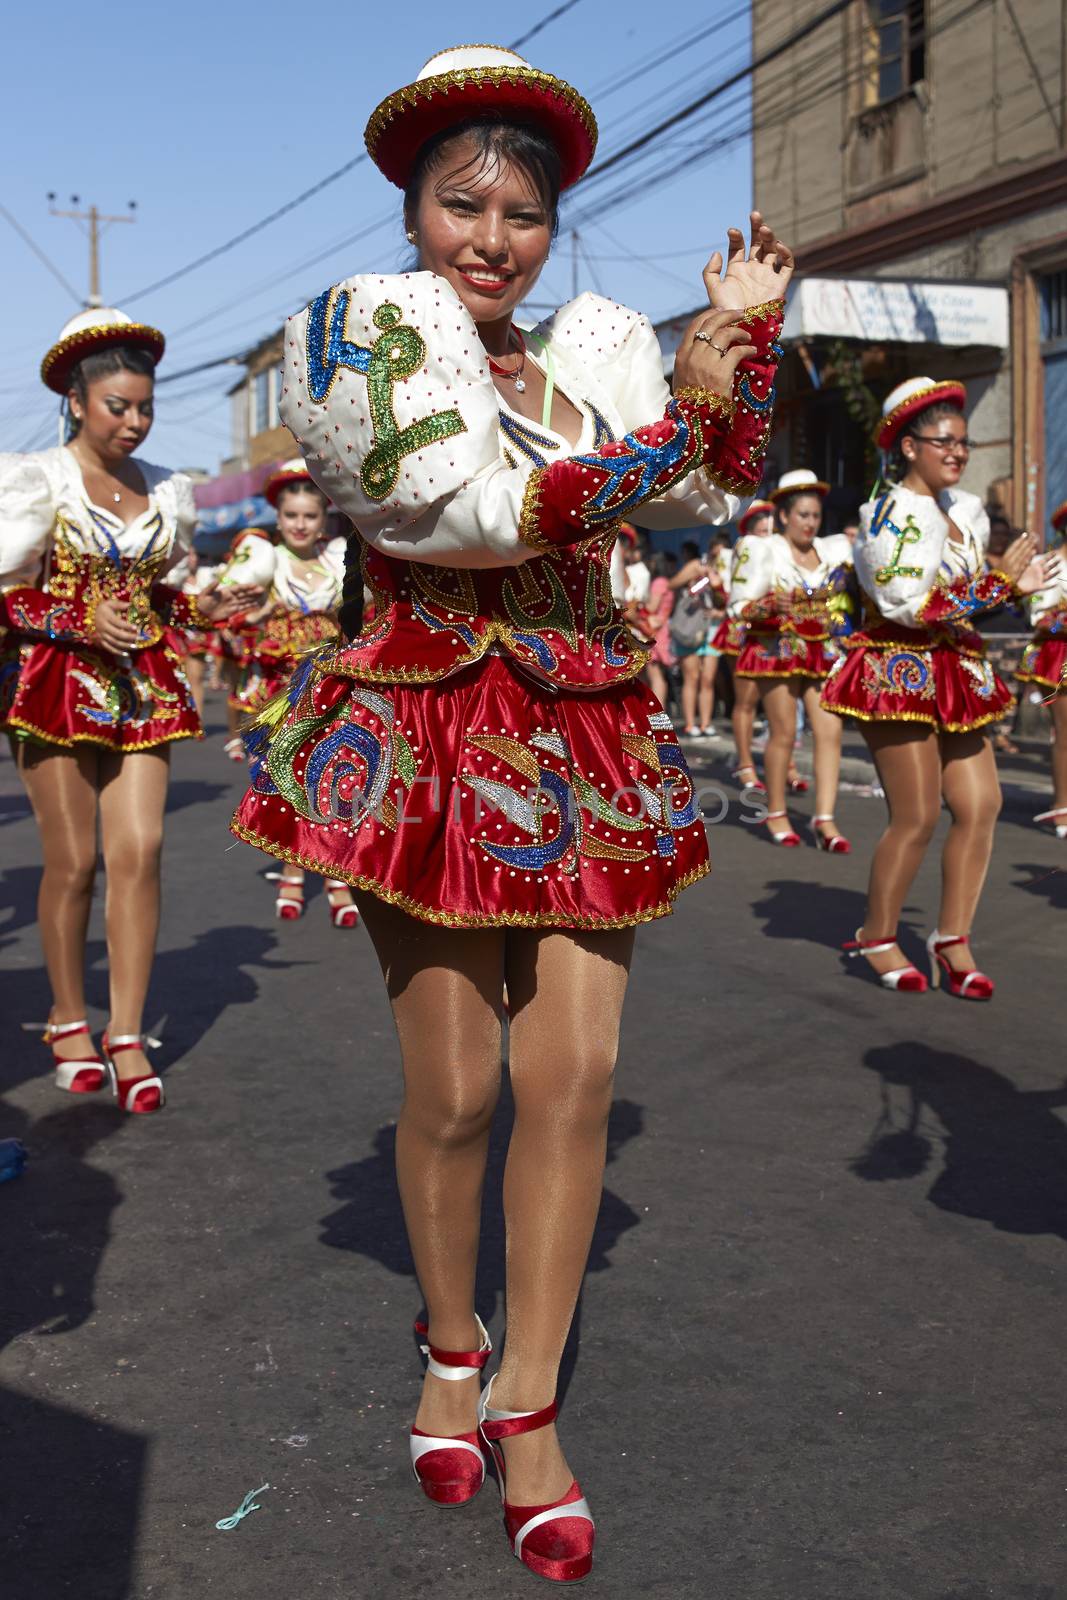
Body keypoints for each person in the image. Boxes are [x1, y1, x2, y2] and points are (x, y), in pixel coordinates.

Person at [231, 41, 790, 1584]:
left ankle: (528, 1406)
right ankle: (453, 1338)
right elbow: (463, 522)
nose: (490, 236)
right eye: (461, 203)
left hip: (586, 724)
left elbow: (698, 495)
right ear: (412, 210)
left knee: (578, 1075)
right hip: (426, 718)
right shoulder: (365, 335)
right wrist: (675, 413)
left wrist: (732, 356)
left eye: (521, 214)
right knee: (461, 1086)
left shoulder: (593, 356)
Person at [0, 308, 257, 1109]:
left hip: (145, 685)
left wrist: (204, 609)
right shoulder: (36, 479)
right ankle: (70, 1019)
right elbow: (6, 595)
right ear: (78, 402)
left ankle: (126, 1030)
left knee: (141, 850)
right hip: (56, 687)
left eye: (144, 408)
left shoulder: (167, 492)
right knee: (73, 864)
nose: (135, 423)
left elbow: (162, 596)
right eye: (119, 407)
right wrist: (79, 619)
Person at [822, 377, 1055, 994]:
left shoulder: (964, 513)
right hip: (897, 672)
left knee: (983, 806)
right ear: (907, 447)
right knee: (918, 815)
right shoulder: (889, 515)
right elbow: (907, 605)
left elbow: (965, 603)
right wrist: (1000, 585)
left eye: (963, 441)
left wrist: (1019, 587)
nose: (956, 451)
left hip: (953, 670)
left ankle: (952, 937)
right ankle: (877, 933)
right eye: (942, 441)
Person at [236, 459, 358, 926]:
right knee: (284, 779)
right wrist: (250, 612)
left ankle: (335, 874)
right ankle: (292, 868)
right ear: (278, 517)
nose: (301, 525)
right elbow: (236, 610)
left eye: (310, 516)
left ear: (324, 517)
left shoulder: (338, 556)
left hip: (328, 680)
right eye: (291, 516)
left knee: (334, 777)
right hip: (276, 691)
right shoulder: (266, 561)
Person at [728, 469, 853, 849]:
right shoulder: (763, 549)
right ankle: (777, 811)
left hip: (823, 649)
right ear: (784, 516)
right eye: (802, 515)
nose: (810, 524)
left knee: (830, 732)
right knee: (784, 731)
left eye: (815, 516)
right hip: (778, 649)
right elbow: (738, 607)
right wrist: (768, 604)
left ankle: (825, 819)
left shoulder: (833, 550)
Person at [1017, 498, 1067, 837]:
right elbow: (1038, 617)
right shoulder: (1046, 564)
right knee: (1065, 732)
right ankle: (1062, 807)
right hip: (1059, 653)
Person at [667, 529, 730, 735]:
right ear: (711, 551)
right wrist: (694, 576)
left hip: (711, 627)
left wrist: (718, 589)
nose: (720, 557)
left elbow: (726, 602)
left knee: (708, 678)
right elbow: (672, 583)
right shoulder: (697, 566)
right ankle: (690, 724)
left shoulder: (727, 572)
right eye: (717, 553)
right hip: (691, 626)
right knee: (691, 677)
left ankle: (705, 723)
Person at [636, 550, 676, 710]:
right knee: (655, 673)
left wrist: (637, 605)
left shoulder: (659, 582)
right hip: (661, 628)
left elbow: (652, 606)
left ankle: (657, 712)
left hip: (654, 630)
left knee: (655, 674)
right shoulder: (666, 582)